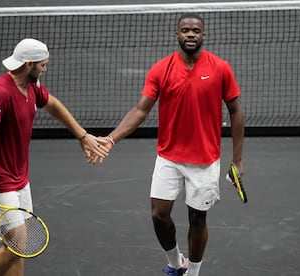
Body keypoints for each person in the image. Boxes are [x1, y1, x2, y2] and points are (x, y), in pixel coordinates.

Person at [96, 13, 244, 276]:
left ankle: (194, 272)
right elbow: (140, 111)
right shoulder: (161, 69)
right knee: (158, 214)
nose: (190, 34)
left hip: (205, 159)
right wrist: (111, 138)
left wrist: (237, 160)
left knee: (197, 218)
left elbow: (235, 110)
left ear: (203, 35)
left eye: (195, 31)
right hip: (169, 157)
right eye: (185, 30)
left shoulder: (220, 68)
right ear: (177, 35)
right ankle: (177, 263)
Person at [0, 38, 109, 276]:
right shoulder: (0, 94)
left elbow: (52, 104)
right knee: (16, 247)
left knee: (17, 247)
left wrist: (82, 136)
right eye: (43, 64)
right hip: (0, 183)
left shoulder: (32, 86)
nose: (46, 68)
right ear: (29, 64)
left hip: (20, 179)